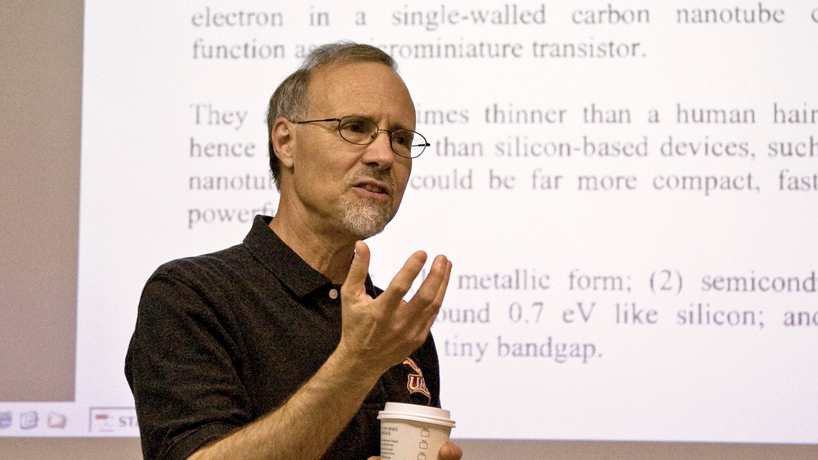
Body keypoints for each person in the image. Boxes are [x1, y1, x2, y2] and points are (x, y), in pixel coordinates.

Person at [125, 42, 462, 460]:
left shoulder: (393, 326)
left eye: (401, 139)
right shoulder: (192, 296)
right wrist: (356, 364)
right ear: (286, 142)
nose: (383, 156)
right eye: (355, 127)